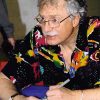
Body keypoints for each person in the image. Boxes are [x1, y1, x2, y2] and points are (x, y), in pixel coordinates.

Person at [0, 0, 100, 100]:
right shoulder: (38, 38)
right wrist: (18, 98)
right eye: (43, 19)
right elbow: (4, 79)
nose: (46, 29)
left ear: (75, 19)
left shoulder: (96, 33)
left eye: (54, 20)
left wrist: (75, 96)